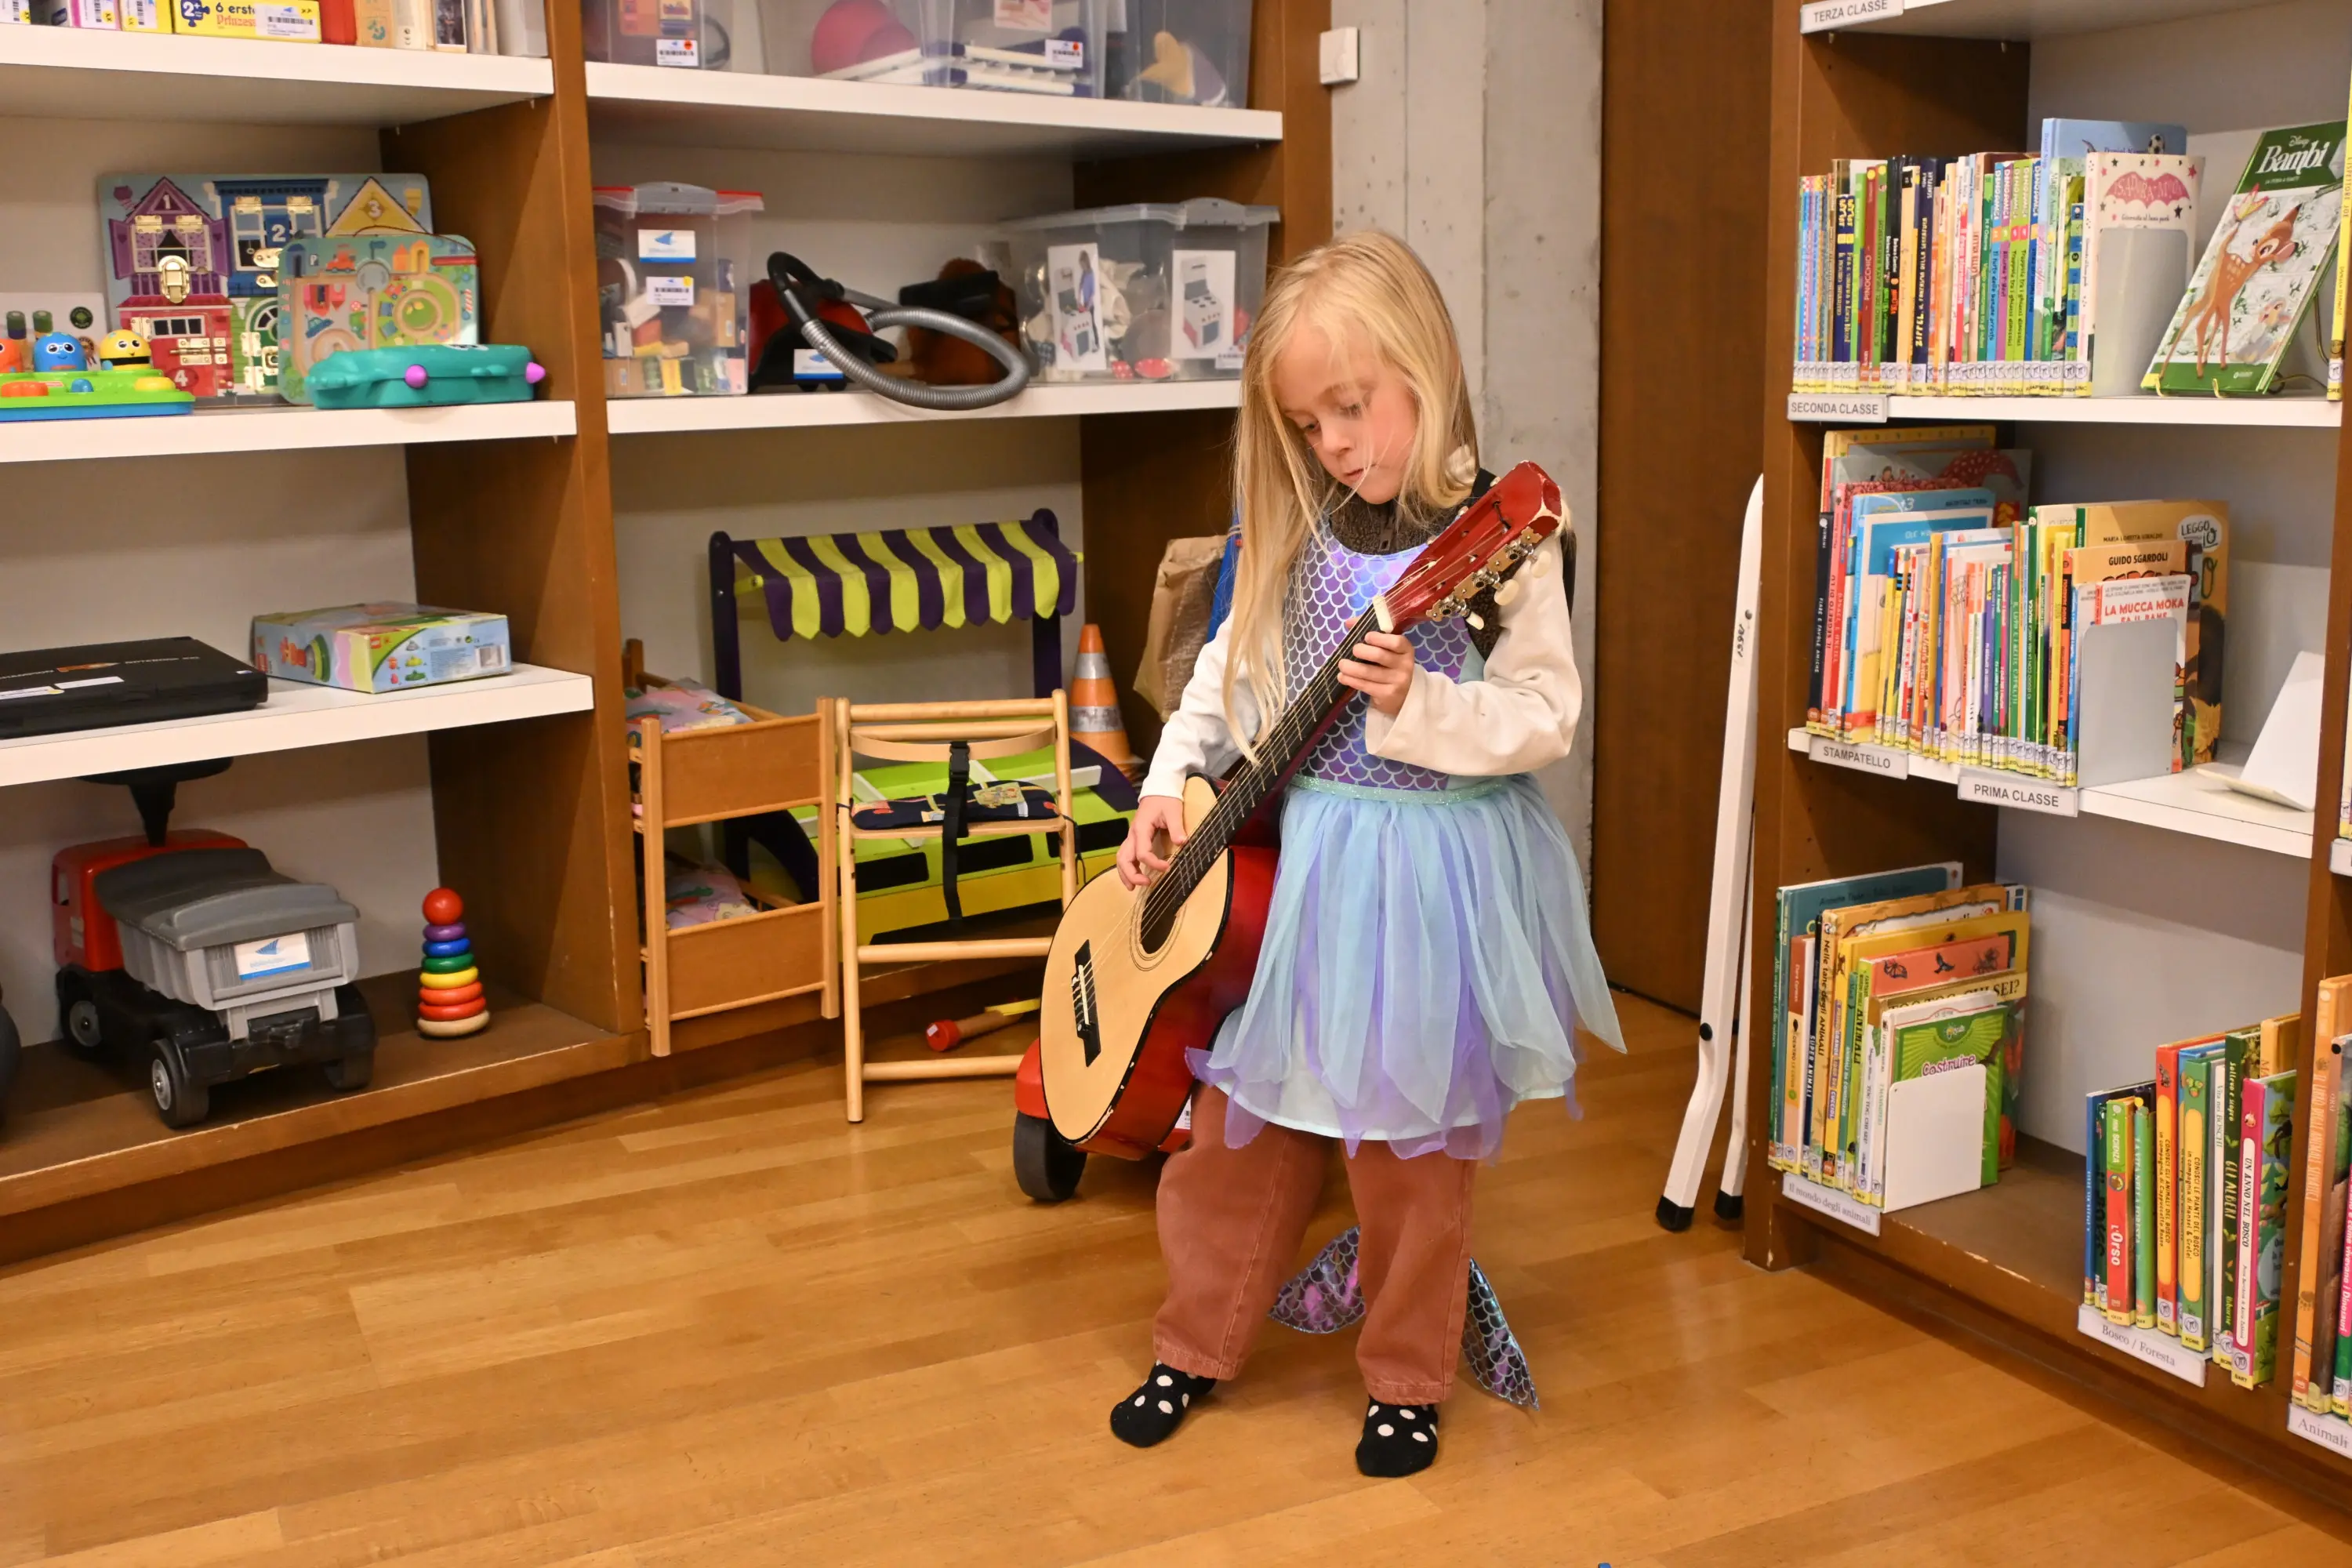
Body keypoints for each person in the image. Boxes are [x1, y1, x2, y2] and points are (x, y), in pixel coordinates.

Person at [1107, 229, 1623, 1478]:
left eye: (1353, 407)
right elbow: (1225, 684)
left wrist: (1420, 709)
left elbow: (1547, 714)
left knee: (1408, 1157)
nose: (1338, 443)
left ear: (1424, 371)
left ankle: (1406, 1374)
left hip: (1437, 874)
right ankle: (1196, 1337)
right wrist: (1173, 779)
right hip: (1322, 867)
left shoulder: (1500, 542)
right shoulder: (1304, 529)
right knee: (1241, 1126)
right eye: (1310, 422)